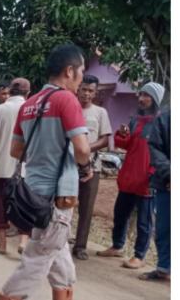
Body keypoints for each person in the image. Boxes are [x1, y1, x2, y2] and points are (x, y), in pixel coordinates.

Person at [0, 44, 91, 300]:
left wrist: (44, 152)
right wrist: (85, 166)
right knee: (38, 257)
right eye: (81, 72)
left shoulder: (30, 104)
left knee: (57, 249)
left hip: (35, 192)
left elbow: (16, 150)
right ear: (69, 71)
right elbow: (82, 149)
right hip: (58, 195)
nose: (82, 80)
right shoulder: (66, 100)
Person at [97, 82, 164, 270]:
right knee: (120, 214)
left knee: (144, 221)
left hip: (148, 180)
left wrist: (154, 173)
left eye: (146, 95)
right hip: (129, 178)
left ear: (155, 99)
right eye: (140, 94)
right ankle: (117, 246)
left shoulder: (163, 123)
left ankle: (139, 256)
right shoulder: (135, 120)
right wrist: (123, 134)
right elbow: (126, 146)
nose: (141, 99)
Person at [0, 78, 31, 256]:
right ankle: (23, 242)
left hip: (2, 167)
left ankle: (2, 244)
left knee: (0, 205)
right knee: (25, 205)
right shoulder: (33, 110)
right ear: (28, 93)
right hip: (27, 169)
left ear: (9, 91)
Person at [72, 74, 112, 260]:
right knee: (62, 203)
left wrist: (85, 149)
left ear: (95, 93)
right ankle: (58, 241)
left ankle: (80, 246)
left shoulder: (100, 113)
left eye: (90, 91)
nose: (86, 94)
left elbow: (105, 140)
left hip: (92, 167)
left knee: (86, 209)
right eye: (84, 89)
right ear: (78, 89)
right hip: (68, 165)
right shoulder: (70, 108)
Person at [141, 108, 170, 282]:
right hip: (167, 184)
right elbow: (155, 147)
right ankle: (164, 268)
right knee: (164, 228)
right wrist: (170, 173)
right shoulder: (165, 119)